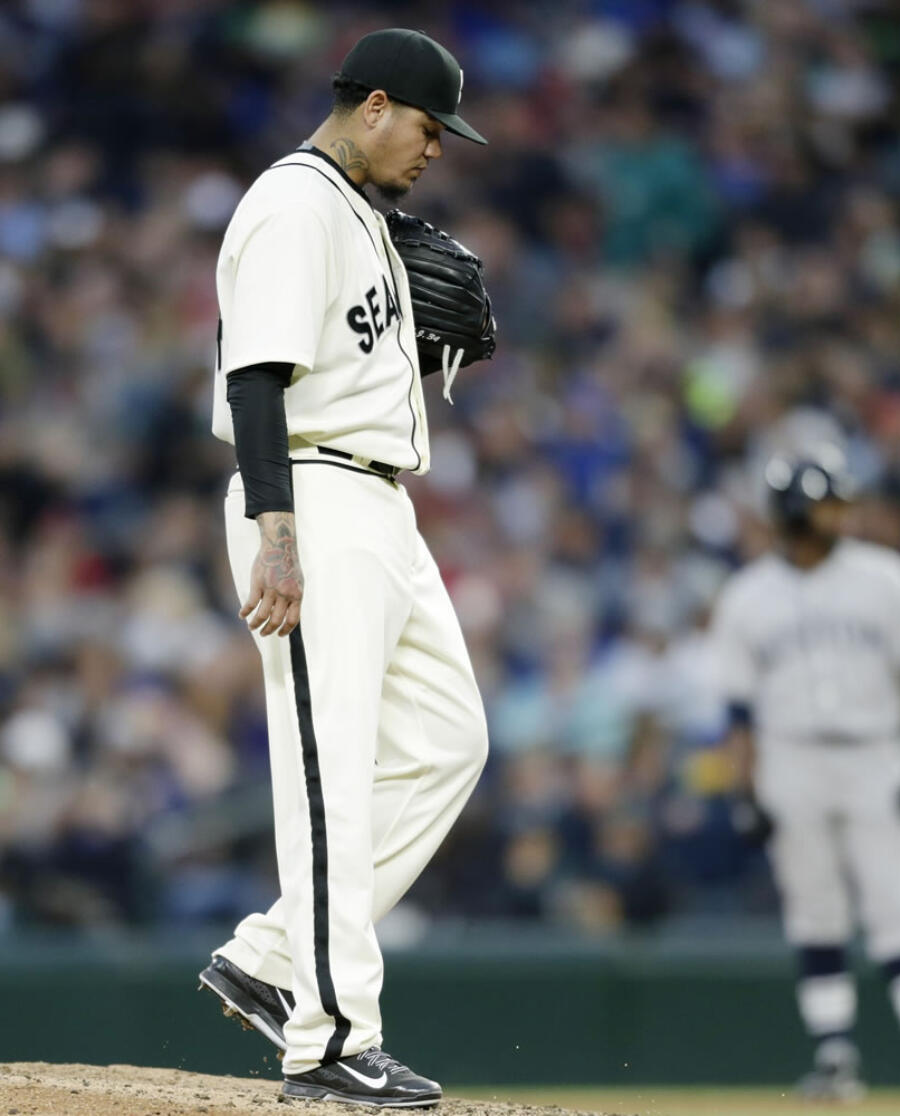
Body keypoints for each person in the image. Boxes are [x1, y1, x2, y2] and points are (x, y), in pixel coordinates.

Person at [196, 28, 491, 1108]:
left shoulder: (361, 216)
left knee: (448, 740)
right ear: (373, 106)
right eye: (426, 127)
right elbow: (256, 381)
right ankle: (325, 1040)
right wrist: (276, 530)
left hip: (380, 503)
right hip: (311, 499)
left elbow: (335, 357)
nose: (435, 152)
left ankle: (272, 959)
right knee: (331, 783)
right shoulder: (293, 204)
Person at [711, 453, 900, 1101]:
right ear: (792, 514)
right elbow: (738, 709)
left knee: (897, 903)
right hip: (790, 757)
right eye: (826, 505)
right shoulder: (748, 594)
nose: (839, 515)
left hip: (873, 753)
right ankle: (835, 1059)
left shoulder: (882, 576)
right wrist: (744, 789)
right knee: (814, 910)